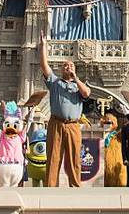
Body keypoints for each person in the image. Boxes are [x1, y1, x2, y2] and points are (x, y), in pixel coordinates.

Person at [38, 32, 90, 187]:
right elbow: (44, 66)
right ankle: (50, 188)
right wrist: (43, 46)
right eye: (66, 66)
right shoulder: (55, 82)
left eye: (72, 65)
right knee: (53, 157)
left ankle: (75, 186)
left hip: (73, 125)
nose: (69, 67)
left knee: (74, 158)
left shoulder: (78, 86)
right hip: (56, 124)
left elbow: (87, 93)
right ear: (62, 70)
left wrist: (76, 79)